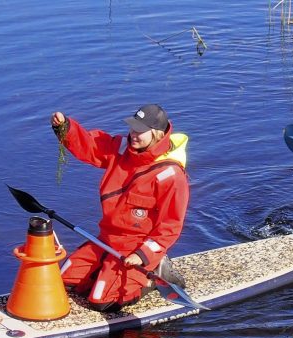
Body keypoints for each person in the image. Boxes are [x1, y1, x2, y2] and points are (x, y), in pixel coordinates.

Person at [51, 104, 189, 312]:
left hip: (135, 247)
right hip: (107, 239)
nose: (133, 135)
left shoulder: (170, 176)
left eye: (140, 131)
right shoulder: (122, 149)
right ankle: (104, 274)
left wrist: (142, 255)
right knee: (64, 279)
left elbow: (169, 227)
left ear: (157, 134)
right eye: (132, 128)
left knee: (101, 301)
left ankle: (153, 276)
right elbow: (91, 146)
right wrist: (66, 128)